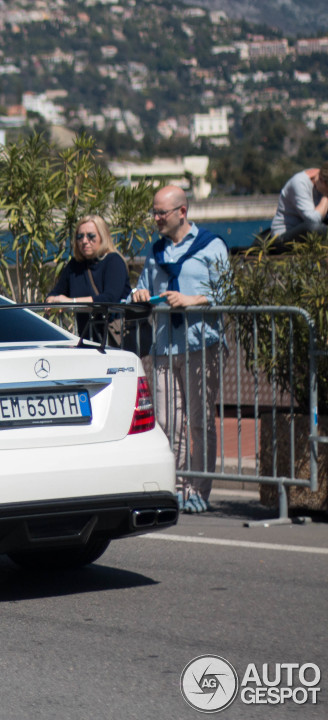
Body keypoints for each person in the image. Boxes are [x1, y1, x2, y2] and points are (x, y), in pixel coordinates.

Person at [129, 186, 230, 514]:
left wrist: (192, 300)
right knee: (166, 422)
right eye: (154, 212)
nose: (156, 218)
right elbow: (145, 284)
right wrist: (140, 294)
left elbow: (226, 293)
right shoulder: (156, 251)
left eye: (162, 213)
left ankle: (198, 488)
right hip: (163, 348)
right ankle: (173, 488)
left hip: (200, 345)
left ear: (182, 212)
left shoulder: (211, 246)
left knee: (199, 420)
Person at [45, 215, 130, 343]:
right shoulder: (74, 265)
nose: (84, 241)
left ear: (103, 237)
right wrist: (52, 300)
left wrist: (71, 302)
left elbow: (109, 298)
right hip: (87, 339)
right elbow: (57, 292)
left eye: (91, 236)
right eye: (80, 237)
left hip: (114, 339)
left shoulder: (113, 261)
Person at [270, 162, 328, 244]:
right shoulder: (299, 183)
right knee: (313, 227)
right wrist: (326, 195)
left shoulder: (322, 181)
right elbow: (313, 220)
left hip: (307, 235)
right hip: (284, 237)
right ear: (322, 181)